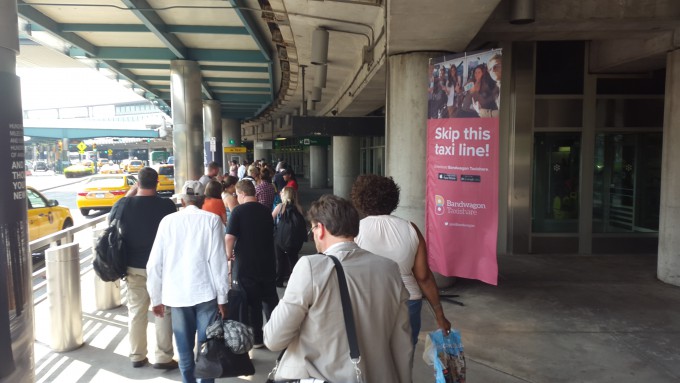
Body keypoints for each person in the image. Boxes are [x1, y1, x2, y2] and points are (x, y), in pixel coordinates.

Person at [263, 195, 412, 382]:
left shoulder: (311, 267)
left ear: (321, 229)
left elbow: (274, 338)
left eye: (313, 228)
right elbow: (402, 342)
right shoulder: (389, 268)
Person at [351, 175, 451, 346]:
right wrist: (439, 315)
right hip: (408, 302)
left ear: (360, 199)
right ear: (393, 199)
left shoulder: (355, 231)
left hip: (368, 302)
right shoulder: (411, 229)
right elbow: (424, 277)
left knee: (370, 359)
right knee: (403, 362)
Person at [146, 180, 230, 383]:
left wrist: (156, 298)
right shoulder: (212, 221)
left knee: (184, 353)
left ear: (183, 201)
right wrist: (223, 298)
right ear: (203, 200)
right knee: (206, 352)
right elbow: (218, 262)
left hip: (177, 295)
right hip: (206, 294)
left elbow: (154, 264)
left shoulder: (167, 221)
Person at [109, 167, 177, 369]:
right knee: (163, 311)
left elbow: (111, 218)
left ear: (137, 183)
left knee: (136, 311)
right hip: (162, 268)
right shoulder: (166, 205)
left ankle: (137, 355)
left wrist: (131, 192)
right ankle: (163, 357)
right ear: (157, 183)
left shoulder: (124, 204)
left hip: (133, 266)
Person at [225, 180, 278, 348]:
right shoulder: (265, 211)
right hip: (268, 261)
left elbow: (229, 237)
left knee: (251, 303)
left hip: (246, 263)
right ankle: (276, 335)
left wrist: (228, 254)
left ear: (241, 194)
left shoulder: (238, 212)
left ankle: (257, 339)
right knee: (270, 300)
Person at [271, 186, 305, 287]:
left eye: (281, 193)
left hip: (279, 238)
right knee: (293, 259)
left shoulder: (280, 207)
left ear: (284, 195)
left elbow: (269, 219)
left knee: (279, 259)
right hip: (294, 239)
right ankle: (294, 280)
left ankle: (279, 280)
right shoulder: (299, 208)